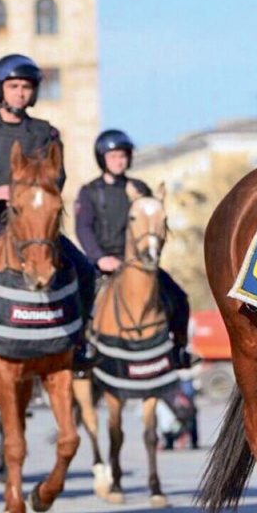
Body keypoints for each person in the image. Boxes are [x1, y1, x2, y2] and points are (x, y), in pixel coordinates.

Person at [0, 53, 96, 367]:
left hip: (34, 226)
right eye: (14, 85)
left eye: (27, 87)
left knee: (85, 270)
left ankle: (81, 342)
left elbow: (57, 175)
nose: (20, 92)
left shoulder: (47, 133)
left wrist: (31, 193)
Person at [74, 129, 196, 368]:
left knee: (178, 297)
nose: (119, 161)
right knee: (80, 299)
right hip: (103, 264)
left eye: (123, 156)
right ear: (102, 159)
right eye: (113, 156)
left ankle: (179, 350)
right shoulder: (89, 192)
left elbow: (153, 220)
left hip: (140, 263)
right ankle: (81, 349)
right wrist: (100, 258)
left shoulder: (140, 188)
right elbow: (83, 229)